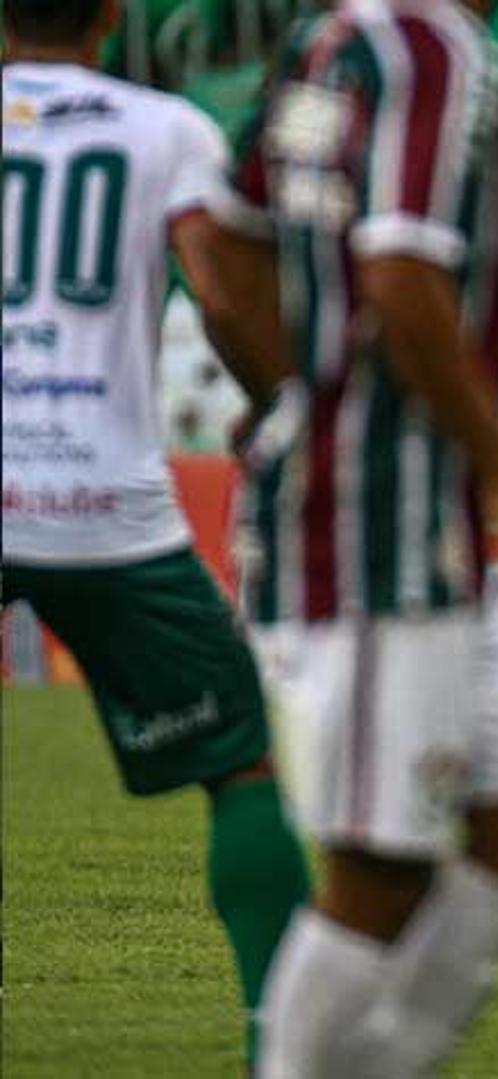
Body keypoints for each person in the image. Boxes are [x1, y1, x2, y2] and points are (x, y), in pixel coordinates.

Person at [204, 0, 498, 1073]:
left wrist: (292, 402)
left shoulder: (327, 43)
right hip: (382, 529)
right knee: (380, 868)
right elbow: (402, 276)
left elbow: (220, 244)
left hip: (425, 529)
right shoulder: (429, 49)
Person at [0, 0, 311, 1062]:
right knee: (246, 767)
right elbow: (222, 290)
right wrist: (283, 399)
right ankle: (282, 1036)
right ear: (115, 13)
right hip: (100, 501)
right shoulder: (164, 127)